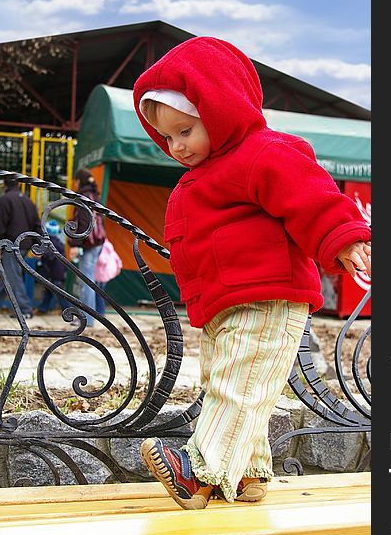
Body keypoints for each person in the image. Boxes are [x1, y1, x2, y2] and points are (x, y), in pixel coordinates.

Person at [132, 36, 372, 510]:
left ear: (221, 108)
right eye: (167, 138)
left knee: (238, 382)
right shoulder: (199, 177)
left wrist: (343, 236)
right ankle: (244, 473)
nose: (177, 146)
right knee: (231, 377)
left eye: (186, 130)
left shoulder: (263, 152)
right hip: (224, 302)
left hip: (268, 294)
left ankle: (200, 472)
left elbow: (311, 197)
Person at [0, 175, 41, 319]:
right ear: (20, 184)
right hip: (25, 244)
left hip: (10, 244)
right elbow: (36, 224)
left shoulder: (5, 200)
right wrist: (38, 245)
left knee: (12, 276)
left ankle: (25, 309)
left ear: (4, 183)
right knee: (8, 274)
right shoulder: (28, 201)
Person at [68, 167, 106, 327]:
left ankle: (87, 319)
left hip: (89, 243)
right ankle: (88, 317)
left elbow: (83, 222)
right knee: (89, 279)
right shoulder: (94, 196)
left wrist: (75, 244)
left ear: (78, 181)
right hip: (97, 242)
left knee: (86, 281)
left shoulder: (83, 196)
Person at [34, 219, 71, 315]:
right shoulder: (58, 242)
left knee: (58, 292)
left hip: (54, 273)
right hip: (55, 272)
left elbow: (50, 255)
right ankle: (43, 308)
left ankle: (67, 310)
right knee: (49, 291)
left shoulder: (52, 242)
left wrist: (41, 255)